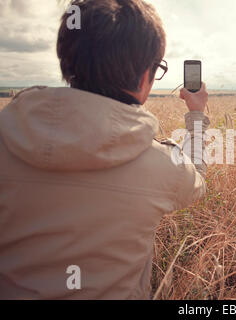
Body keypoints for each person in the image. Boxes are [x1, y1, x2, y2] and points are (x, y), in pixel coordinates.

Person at [0, 0, 209, 299]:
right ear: (143, 77)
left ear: (67, 63)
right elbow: (197, 177)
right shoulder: (164, 166)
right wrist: (196, 115)